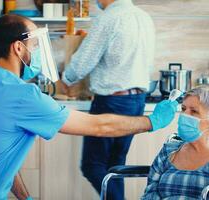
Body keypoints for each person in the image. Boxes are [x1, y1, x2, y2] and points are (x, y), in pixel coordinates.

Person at [0, 14, 177, 200]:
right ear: (18, 47)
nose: (37, 52)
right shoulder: (21, 96)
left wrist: (25, 197)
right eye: (35, 46)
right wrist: (150, 122)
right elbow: (98, 125)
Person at [60, 0, 156, 198]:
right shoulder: (144, 17)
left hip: (113, 102)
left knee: (92, 165)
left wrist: (65, 79)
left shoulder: (109, 18)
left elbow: (84, 60)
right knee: (115, 167)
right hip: (137, 100)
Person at [141, 86, 209, 200]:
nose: (184, 115)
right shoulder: (169, 149)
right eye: (183, 109)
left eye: (194, 111)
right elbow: (150, 192)